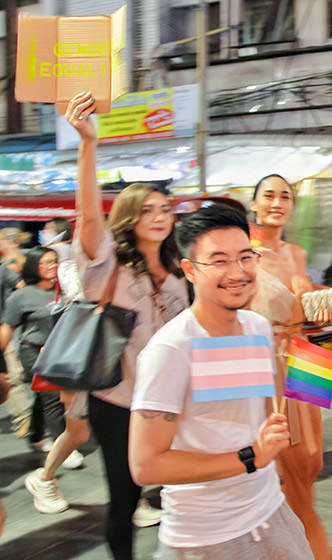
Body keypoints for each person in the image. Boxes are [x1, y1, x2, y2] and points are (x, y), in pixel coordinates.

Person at [129, 205, 313, 559]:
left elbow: (254, 414)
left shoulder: (256, 327)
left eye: (246, 257)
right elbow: (146, 465)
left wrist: (316, 343)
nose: (238, 272)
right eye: (219, 261)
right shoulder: (170, 350)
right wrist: (250, 457)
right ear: (190, 270)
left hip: (270, 511)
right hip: (205, 537)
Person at [65, 91, 189, 560]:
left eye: (165, 209)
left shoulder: (180, 274)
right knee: (124, 497)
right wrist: (88, 144)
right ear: (130, 217)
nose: (159, 217)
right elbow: (89, 215)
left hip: (171, 402)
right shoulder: (108, 264)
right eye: (148, 209)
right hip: (118, 401)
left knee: (176, 489)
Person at [248, 173, 332, 560]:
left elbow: (315, 319)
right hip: (263, 367)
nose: (277, 202)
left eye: (286, 196)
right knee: (286, 469)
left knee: (313, 462)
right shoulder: (242, 251)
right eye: (269, 195)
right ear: (254, 203)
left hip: (308, 356)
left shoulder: (297, 253)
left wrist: (318, 300)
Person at [0, 247, 64, 455]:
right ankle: (62, 448)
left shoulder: (65, 290)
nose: (50, 266)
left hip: (59, 352)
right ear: (33, 266)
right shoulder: (22, 296)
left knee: (43, 397)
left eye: (53, 261)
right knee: (52, 397)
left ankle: (36, 436)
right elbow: (7, 329)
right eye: (44, 262)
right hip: (33, 351)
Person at [0, 228, 31, 439]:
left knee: (11, 376)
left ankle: (24, 418)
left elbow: (22, 287)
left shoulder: (6, 268)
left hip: (4, 329)